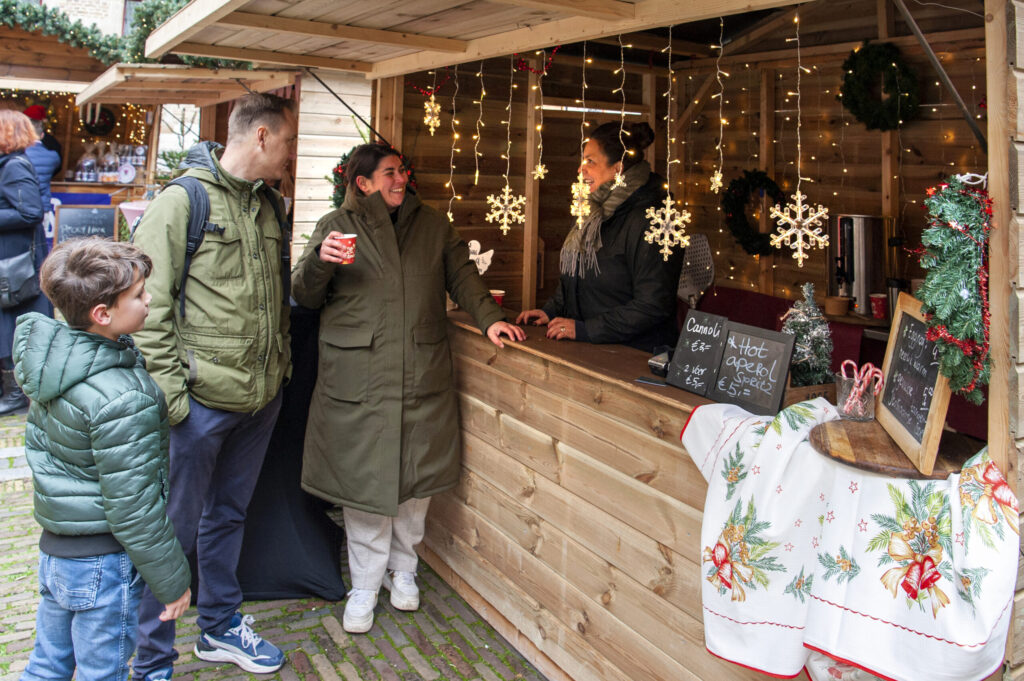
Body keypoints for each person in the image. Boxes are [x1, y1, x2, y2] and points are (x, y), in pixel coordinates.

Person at [291, 143, 524, 634]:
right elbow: (305, 294)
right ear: (363, 183)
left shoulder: (433, 225)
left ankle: (404, 570)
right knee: (364, 486)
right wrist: (320, 260)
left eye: (403, 172)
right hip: (359, 378)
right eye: (390, 173)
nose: (401, 180)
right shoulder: (336, 226)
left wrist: (490, 321)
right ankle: (364, 585)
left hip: (421, 373)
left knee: (414, 485)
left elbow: (463, 278)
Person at [130, 93, 296, 679]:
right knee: (171, 529)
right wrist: (175, 399)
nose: (289, 153)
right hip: (198, 405)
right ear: (260, 138)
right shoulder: (183, 201)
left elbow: (275, 294)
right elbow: (145, 306)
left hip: (260, 398)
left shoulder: (271, 206)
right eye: (287, 141)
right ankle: (151, 658)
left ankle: (220, 628)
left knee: (228, 515)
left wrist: (278, 376)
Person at [15, 238, 191, 681]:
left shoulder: (55, 365)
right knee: (103, 672)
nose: (149, 299)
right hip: (101, 563)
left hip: (57, 552)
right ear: (102, 314)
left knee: (46, 664)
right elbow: (134, 505)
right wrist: (172, 581)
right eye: (138, 294)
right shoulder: (124, 396)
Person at [516, 121, 684, 353]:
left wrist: (586, 330)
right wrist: (551, 311)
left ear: (617, 169)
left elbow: (653, 304)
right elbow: (579, 275)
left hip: (636, 356)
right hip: (596, 349)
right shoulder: (595, 212)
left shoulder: (654, 217)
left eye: (590, 162)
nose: (580, 169)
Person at [0, 110, 50, 415]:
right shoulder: (9, 164)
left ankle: (15, 393)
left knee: (10, 327)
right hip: (10, 258)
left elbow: (32, 212)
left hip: (15, 263)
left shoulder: (15, 166)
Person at [22, 107, 61, 247]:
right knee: (38, 246)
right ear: (42, 134)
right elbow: (57, 167)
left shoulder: (17, 155)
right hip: (42, 207)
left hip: (20, 207)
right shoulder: (53, 156)